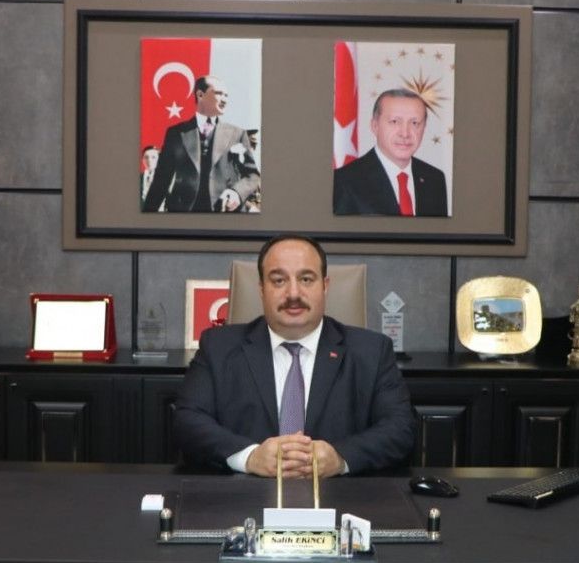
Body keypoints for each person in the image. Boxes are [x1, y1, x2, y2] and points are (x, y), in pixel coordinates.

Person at [174, 235, 416, 477]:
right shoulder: (218, 347)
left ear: (325, 286)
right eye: (279, 280)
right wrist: (250, 457)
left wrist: (340, 458)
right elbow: (187, 421)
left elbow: (401, 428)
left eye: (306, 279)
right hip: (244, 493)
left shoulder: (372, 351)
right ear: (261, 289)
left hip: (339, 494)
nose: (293, 293)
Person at [142, 75, 260, 213]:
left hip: (225, 213)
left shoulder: (238, 133)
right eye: (219, 93)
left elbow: (252, 175)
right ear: (200, 94)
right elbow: (161, 180)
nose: (225, 99)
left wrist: (237, 193)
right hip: (184, 213)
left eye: (226, 95)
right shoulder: (176, 133)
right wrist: (147, 216)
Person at [333, 88, 449, 217]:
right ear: (375, 126)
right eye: (394, 122)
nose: (405, 133)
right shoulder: (344, 182)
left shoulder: (435, 179)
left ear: (424, 128)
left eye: (415, 123)